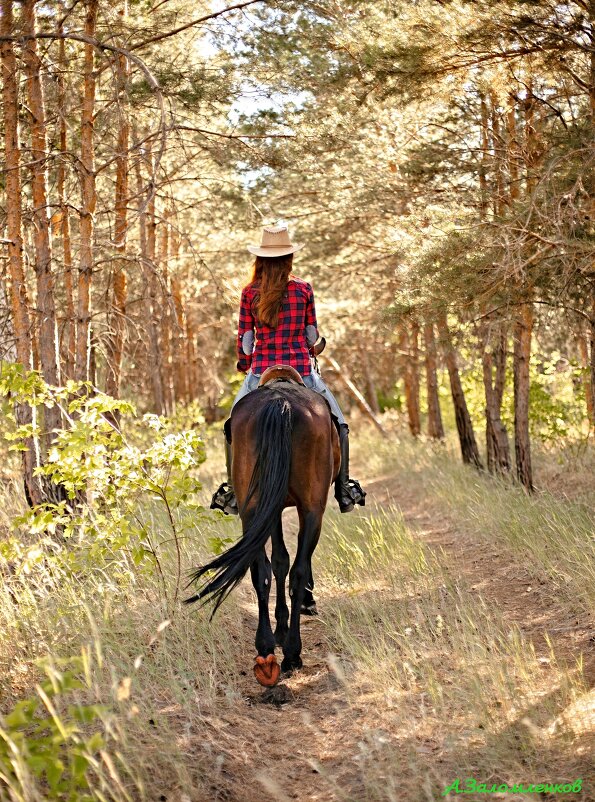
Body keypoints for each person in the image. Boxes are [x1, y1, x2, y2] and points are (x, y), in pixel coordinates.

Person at [211, 224, 366, 514]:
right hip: (302, 372)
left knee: (232, 425)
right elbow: (311, 336)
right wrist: (316, 347)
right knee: (340, 425)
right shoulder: (303, 289)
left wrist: (246, 364)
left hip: (261, 372)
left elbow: (245, 343)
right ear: (289, 259)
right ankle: (344, 488)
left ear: (260, 259)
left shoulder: (248, 294)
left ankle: (232, 491)